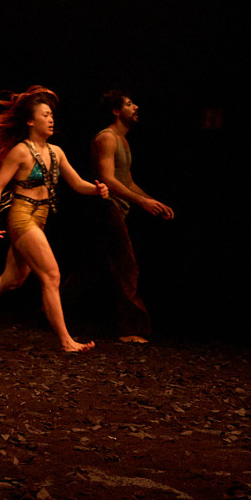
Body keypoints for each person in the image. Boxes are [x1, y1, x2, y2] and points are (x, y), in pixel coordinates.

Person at [0, 87, 108, 352]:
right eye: (45, 115)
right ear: (30, 121)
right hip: (22, 217)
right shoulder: (21, 151)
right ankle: (66, 340)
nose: (51, 120)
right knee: (51, 275)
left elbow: (76, 183)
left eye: (52, 115)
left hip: (40, 218)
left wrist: (96, 189)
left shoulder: (56, 152)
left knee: (11, 280)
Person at [90, 91, 175, 343]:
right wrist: (141, 202)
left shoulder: (123, 140)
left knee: (93, 266)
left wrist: (152, 201)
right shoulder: (107, 137)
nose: (135, 107)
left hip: (117, 207)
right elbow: (107, 178)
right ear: (116, 111)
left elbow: (127, 181)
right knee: (127, 267)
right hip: (107, 206)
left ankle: (50, 307)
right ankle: (131, 329)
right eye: (129, 104)